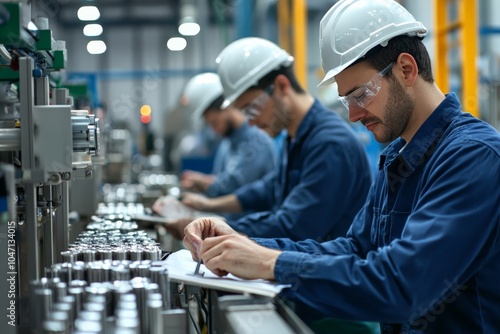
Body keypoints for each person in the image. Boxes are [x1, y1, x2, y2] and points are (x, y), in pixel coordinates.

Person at [182, 0, 500, 333]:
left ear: (406, 69)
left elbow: (404, 284)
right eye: (348, 100)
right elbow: (355, 247)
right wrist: (244, 243)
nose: (353, 115)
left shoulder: (472, 157)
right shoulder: (397, 156)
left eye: (361, 94)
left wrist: (270, 263)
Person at [177, 37, 372, 242]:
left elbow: (294, 226)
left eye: (251, 109)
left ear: (280, 86)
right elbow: (268, 189)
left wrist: (217, 229)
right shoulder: (296, 137)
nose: (251, 123)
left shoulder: (330, 143)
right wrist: (207, 206)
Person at [178, 72, 276, 198]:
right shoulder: (226, 143)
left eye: (214, 123)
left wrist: (203, 183)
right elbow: (221, 179)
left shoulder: (257, 140)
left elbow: (236, 187)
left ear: (226, 107)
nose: (214, 130)